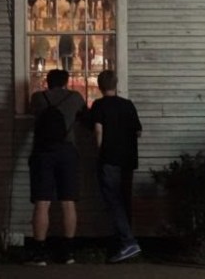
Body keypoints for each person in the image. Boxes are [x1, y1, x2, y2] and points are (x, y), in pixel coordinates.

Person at [26, 69, 87, 266]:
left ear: (48, 82)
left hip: (43, 151)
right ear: (66, 82)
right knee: (68, 202)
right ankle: (68, 252)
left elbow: (31, 112)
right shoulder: (75, 97)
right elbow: (85, 116)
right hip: (67, 151)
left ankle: (39, 253)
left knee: (42, 202)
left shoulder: (38, 97)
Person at [88, 70, 143, 263]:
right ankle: (125, 242)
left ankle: (128, 242)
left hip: (109, 158)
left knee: (113, 201)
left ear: (100, 86)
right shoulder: (127, 105)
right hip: (128, 159)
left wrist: (100, 152)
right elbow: (138, 131)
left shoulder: (99, 105)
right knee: (124, 200)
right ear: (116, 84)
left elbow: (98, 131)